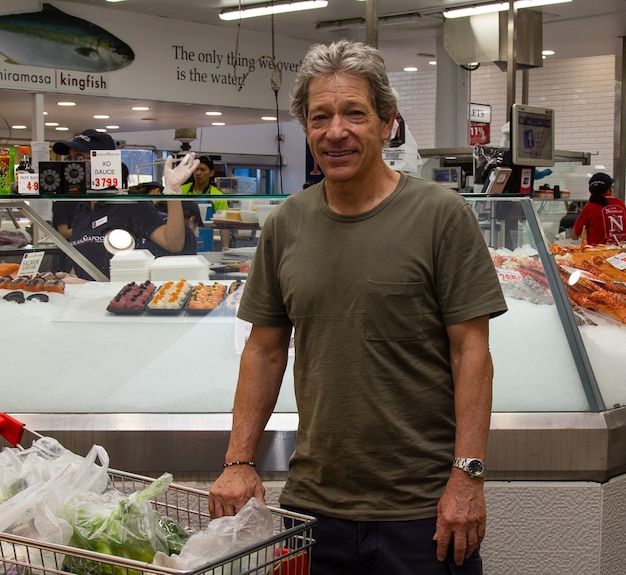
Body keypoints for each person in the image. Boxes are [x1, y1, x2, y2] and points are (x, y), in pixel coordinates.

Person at [208, 40, 508, 574]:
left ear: (387, 122)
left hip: (424, 511)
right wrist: (238, 460)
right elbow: (264, 350)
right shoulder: (286, 224)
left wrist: (468, 478)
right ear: (305, 127)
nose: (336, 131)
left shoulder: (441, 215)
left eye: (354, 113)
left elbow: (472, 353)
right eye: (320, 116)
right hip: (314, 509)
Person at [51, 130, 198, 279]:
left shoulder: (129, 203)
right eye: (71, 158)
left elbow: (173, 243)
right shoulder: (82, 208)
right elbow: (86, 257)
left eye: (80, 157)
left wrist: (173, 192)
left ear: (105, 161)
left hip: (123, 297)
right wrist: (72, 277)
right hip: (89, 298)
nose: (72, 166)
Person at [181, 155, 231, 249]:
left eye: (203, 170)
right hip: (181, 245)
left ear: (211, 173)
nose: (198, 173)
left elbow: (225, 226)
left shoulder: (217, 195)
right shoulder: (182, 190)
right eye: (196, 169)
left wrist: (225, 249)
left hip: (206, 248)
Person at [571, 172, 626, 245]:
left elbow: (575, 235)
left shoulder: (590, 207)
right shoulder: (621, 204)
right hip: (621, 253)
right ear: (609, 189)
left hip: (598, 254)